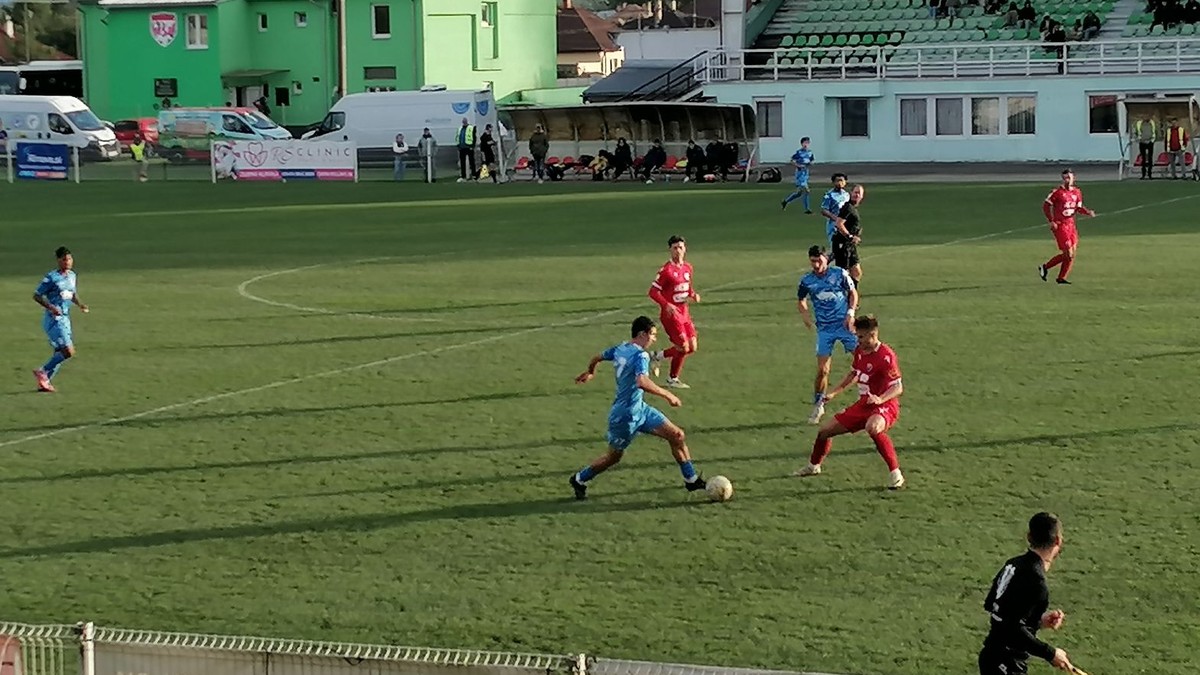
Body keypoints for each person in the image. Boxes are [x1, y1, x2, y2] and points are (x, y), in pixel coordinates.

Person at [569, 315, 707, 500]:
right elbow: (642, 381)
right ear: (642, 334)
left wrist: (590, 372)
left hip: (640, 409)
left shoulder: (621, 348)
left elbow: (598, 357)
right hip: (624, 416)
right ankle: (579, 479)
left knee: (677, 435)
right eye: (653, 335)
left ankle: (691, 479)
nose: (654, 339)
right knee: (613, 457)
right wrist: (668, 395)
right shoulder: (640, 355)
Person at [794, 314, 906, 490]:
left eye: (861, 336)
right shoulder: (860, 352)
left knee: (873, 427)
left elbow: (898, 387)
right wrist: (834, 393)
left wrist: (880, 399)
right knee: (824, 431)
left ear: (873, 334)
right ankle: (813, 466)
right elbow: (854, 374)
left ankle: (896, 475)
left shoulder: (886, 356)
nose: (857, 340)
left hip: (884, 405)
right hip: (863, 405)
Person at [978, 512, 1076, 675]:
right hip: (1007, 664)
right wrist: (1051, 653)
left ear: (1029, 536)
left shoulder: (1012, 565)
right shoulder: (1037, 583)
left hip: (991, 658)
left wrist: (1038, 621)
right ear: (1058, 541)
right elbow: (1012, 629)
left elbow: (999, 612)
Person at [796, 245, 859, 425]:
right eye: (813, 261)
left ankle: (872, 394)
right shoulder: (807, 281)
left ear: (826, 258)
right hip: (825, 330)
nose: (816, 265)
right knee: (823, 370)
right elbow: (801, 299)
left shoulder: (839, 274)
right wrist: (806, 316)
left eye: (819, 260)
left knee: (863, 362)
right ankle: (818, 404)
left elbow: (853, 292)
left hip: (845, 326)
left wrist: (850, 313)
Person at [32, 246, 89, 393]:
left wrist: (80, 304)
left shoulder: (72, 276)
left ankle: (44, 383)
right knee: (68, 351)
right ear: (58, 261)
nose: (68, 262)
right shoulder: (51, 278)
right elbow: (37, 295)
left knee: (60, 352)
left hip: (65, 318)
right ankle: (42, 371)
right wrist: (51, 307)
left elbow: (72, 293)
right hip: (54, 319)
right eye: (64, 259)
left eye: (69, 259)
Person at [647, 235, 701, 389]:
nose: (678, 251)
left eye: (681, 247)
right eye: (675, 248)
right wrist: (666, 305)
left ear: (685, 249)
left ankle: (656, 356)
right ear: (670, 250)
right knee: (683, 347)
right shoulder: (666, 271)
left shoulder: (688, 268)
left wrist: (693, 294)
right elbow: (652, 292)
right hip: (671, 315)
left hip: (684, 313)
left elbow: (687, 286)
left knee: (692, 347)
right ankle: (672, 379)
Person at [1038, 168, 1095, 285]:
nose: (1067, 180)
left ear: (1074, 178)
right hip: (1060, 225)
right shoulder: (1057, 192)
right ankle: (1045, 267)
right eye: (1065, 178)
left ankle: (1061, 278)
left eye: (1069, 177)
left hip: (1071, 225)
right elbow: (1045, 206)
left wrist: (1087, 212)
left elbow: (1078, 207)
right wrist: (1051, 220)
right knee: (1068, 253)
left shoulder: (1077, 192)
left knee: (1071, 254)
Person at [832, 183, 866, 285]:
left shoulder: (853, 208)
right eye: (855, 192)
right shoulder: (847, 208)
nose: (857, 195)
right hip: (842, 244)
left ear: (862, 196)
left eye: (859, 193)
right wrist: (850, 236)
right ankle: (842, 296)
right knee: (843, 274)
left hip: (850, 245)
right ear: (850, 193)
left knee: (856, 272)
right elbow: (839, 223)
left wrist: (856, 232)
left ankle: (851, 295)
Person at [781, 136, 815, 213]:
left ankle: (785, 201)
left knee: (799, 193)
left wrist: (810, 163)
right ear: (801, 144)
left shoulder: (810, 152)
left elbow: (812, 160)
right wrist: (798, 165)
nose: (806, 144)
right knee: (806, 191)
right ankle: (807, 209)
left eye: (807, 143)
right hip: (800, 173)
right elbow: (791, 160)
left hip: (806, 173)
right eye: (804, 143)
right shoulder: (799, 152)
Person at [819, 173, 851, 253]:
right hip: (833, 225)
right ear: (833, 182)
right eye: (837, 181)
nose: (840, 183)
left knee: (846, 248)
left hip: (846, 225)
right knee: (835, 248)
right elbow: (824, 210)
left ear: (845, 182)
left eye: (841, 180)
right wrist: (836, 219)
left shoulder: (847, 195)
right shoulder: (829, 195)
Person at [455, 117, 477, 182]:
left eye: (465, 121)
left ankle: (474, 175)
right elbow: (457, 137)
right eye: (463, 121)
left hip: (469, 147)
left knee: (471, 162)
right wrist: (458, 145)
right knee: (462, 162)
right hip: (462, 147)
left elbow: (474, 137)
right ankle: (463, 176)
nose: (464, 122)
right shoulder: (460, 128)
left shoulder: (471, 128)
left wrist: (472, 146)